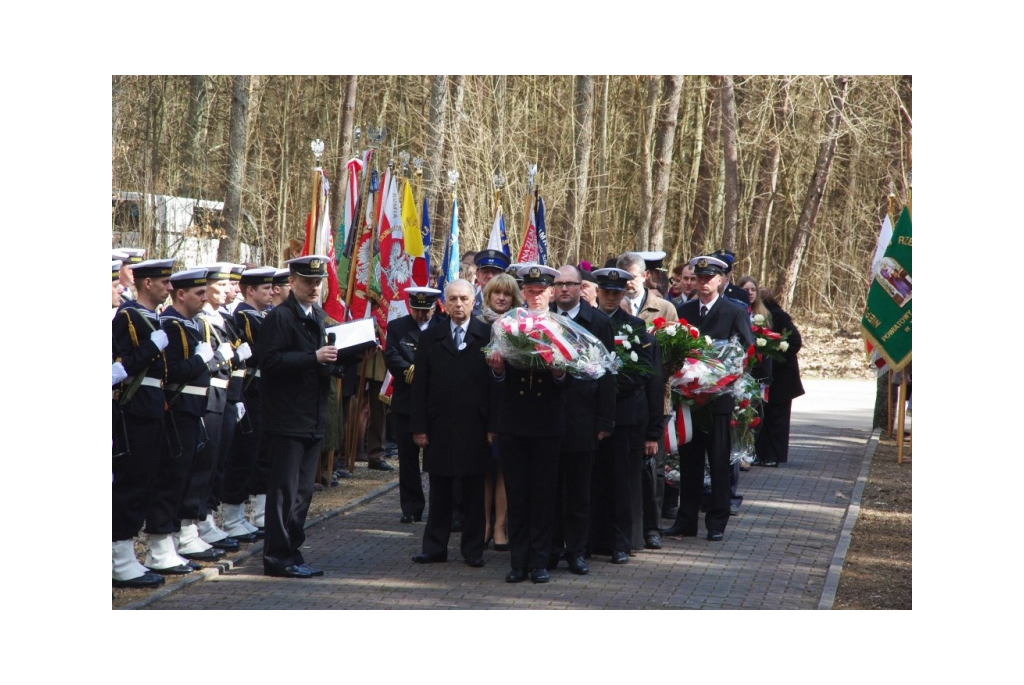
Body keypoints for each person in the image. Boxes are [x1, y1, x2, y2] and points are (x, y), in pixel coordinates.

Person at [259, 255, 362, 578]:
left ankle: (292, 551)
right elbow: (271, 363)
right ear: (292, 282)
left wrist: (347, 357)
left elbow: (322, 364)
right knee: (284, 492)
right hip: (287, 417)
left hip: (312, 416)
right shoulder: (280, 318)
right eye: (307, 281)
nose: (314, 287)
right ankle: (277, 557)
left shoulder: (317, 315)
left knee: (303, 492)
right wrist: (312, 357)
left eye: (318, 282)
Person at [664, 256, 754, 542]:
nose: (703, 283)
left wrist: (722, 377)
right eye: (699, 278)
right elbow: (675, 348)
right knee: (689, 464)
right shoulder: (685, 310)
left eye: (709, 278)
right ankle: (686, 520)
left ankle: (717, 522)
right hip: (690, 400)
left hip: (719, 400)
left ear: (721, 281)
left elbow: (747, 352)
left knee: (718, 463)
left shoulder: (734, 311)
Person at [486, 265, 566, 584]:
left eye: (540, 290)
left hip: (547, 420)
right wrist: (497, 368)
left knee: (544, 495)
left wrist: (559, 369)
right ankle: (518, 562)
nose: (534, 296)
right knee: (517, 493)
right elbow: (497, 378)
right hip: (515, 420)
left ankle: (540, 561)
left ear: (550, 292)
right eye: (529, 291)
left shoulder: (561, 326)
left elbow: (568, 380)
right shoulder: (508, 325)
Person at [410, 279, 494, 568]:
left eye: (464, 299)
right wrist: (419, 427)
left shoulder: (487, 335)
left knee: (473, 491)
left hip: (476, 426)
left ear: (473, 302)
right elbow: (419, 385)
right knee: (440, 490)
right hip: (440, 426)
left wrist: (493, 426)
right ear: (443, 303)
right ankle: (434, 547)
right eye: (453, 299)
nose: (459, 305)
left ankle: (473, 550)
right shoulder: (431, 337)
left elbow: (495, 388)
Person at [146, 267, 217, 573]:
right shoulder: (173, 325)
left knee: (183, 477)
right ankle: (159, 549)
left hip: (192, 408)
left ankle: (170, 544)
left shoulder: (190, 324)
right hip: (178, 409)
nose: (205, 297)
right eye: (199, 293)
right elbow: (171, 371)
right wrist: (199, 360)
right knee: (171, 478)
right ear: (181, 294)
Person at [589, 267, 662, 563]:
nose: (610, 297)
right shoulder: (586, 322)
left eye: (615, 293)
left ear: (622, 294)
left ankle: (620, 543)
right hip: (589, 415)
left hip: (623, 415)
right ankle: (591, 540)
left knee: (621, 482)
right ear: (597, 292)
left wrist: (606, 387)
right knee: (591, 481)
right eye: (605, 291)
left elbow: (643, 372)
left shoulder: (634, 326)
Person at [548, 265, 615, 575]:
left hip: (583, 418)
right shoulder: (541, 319)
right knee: (550, 491)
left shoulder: (598, 321)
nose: (564, 289)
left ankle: (577, 551)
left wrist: (604, 421)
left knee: (578, 493)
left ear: (580, 287)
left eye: (570, 284)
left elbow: (607, 375)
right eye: (558, 283)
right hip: (546, 417)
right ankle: (549, 548)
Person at [112, 258, 175, 587]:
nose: (169, 287)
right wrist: (152, 347)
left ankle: (127, 556)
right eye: (164, 282)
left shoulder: (152, 317)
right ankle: (119, 559)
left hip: (153, 406)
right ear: (147, 283)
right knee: (132, 483)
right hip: (135, 408)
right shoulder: (129, 316)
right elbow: (121, 365)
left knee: (148, 479)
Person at [220, 266, 277, 540]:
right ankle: (233, 516)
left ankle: (253, 513)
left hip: (264, 391)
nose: (271, 292)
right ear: (251, 290)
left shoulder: (264, 315)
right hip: (251, 390)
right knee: (244, 454)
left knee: (260, 452)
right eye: (265, 288)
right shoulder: (243, 316)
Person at [384, 286, 444, 524]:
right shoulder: (398, 327)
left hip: (435, 402)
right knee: (408, 459)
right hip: (406, 401)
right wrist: (414, 371)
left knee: (438, 458)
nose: (421, 315)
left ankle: (442, 507)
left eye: (426, 310)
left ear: (434, 307)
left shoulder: (442, 325)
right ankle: (411, 506)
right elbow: (392, 356)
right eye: (417, 310)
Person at [476, 273, 522, 552]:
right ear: (488, 296)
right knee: (483, 470)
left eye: (507, 294)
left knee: (503, 470)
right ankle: (482, 524)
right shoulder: (477, 326)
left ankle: (500, 526)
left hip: (509, 406)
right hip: (480, 407)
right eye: (497, 293)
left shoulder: (520, 326)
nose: (501, 298)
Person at [755, 287, 805, 466]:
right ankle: (761, 454)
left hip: (782, 378)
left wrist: (776, 355)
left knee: (778, 419)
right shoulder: (756, 318)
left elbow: (795, 341)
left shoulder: (779, 317)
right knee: (763, 417)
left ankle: (774, 455)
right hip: (766, 376)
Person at [618, 251, 678, 322]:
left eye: (632, 277)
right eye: (623, 277)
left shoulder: (665, 309)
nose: (627, 282)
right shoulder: (609, 305)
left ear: (645, 276)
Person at [472, 249, 511, 313]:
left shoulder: (512, 307)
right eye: (485, 271)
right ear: (477, 275)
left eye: (495, 272)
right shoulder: (469, 305)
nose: (490, 276)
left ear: (504, 275)